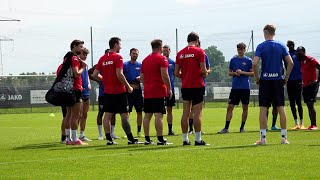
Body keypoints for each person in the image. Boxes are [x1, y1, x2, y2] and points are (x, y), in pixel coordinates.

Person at [252, 24, 293, 145]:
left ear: (265, 32)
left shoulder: (261, 46)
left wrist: (257, 77)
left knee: (263, 109)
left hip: (265, 80)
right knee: (281, 107)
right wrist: (285, 78)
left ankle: (263, 139)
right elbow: (290, 63)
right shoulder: (281, 45)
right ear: (274, 33)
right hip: (277, 81)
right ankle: (284, 138)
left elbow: (254, 63)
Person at [92, 37, 138, 145]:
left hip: (107, 92)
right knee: (124, 115)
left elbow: (94, 74)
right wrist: (128, 86)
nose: (121, 46)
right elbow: (119, 74)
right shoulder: (118, 57)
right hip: (119, 92)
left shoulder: (102, 58)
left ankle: (109, 139)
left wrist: (105, 79)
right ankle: (131, 139)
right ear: (116, 44)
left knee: (107, 115)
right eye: (120, 44)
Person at [175, 32, 208, 146]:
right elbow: (203, 71)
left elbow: (176, 72)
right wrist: (206, 72)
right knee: (197, 113)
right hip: (197, 85)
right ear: (197, 40)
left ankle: (185, 139)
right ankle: (198, 139)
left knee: (185, 113)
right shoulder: (200, 51)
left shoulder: (180, 53)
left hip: (185, 86)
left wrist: (185, 76)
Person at [141, 39, 172, 145]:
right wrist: (169, 88)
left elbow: (142, 77)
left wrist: (147, 86)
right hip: (158, 90)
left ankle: (147, 139)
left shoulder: (145, 60)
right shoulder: (162, 58)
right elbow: (165, 75)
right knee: (159, 115)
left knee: (147, 115)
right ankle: (160, 139)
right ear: (160, 47)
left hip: (148, 91)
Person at [218, 42, 253, 133]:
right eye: (238, 49)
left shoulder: (249, 61)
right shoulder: (233, 60)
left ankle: (242, 128)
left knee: (245, 108)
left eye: (241, 49)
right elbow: (229, 73)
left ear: (245, 50)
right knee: (230, 107)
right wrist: (235, 73)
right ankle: (226, 128)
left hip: (245, 88)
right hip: (235, 88)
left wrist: (242, 72)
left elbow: (253, 73)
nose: (240, 51)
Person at [62, 39, 87, 145]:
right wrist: (83, 67)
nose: (81, 49)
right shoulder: (74, 58)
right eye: (80, 47)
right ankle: (75, 139)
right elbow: (76, 74)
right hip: (75, 89)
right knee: (75, 115)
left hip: (66, 88)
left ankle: (68, 139)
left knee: (68, 114)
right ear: (74, 47)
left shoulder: (66, 57)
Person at [188, 41, 210, 134]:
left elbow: (208, 68)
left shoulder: (204, 55)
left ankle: (198, 129)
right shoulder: (189, 55)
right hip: (190, 84)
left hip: (200, 84)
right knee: (190, 108)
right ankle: (190, 129)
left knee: (199, 109)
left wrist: (206, 72)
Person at [297, 46, 320, 130]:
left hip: (312, 85)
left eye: (299, 52)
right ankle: (311, 125)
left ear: (304, 52)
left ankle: (314, 125)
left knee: (311, 104)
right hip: (305, 86)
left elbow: (319, 67)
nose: (298, 53)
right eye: (297, 52)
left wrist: (317, 81)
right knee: (308, 105)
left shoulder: (310, 59)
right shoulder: (301, 61)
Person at [123, 48, 144, 137]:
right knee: (127, 112)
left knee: (139, 112)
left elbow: (144, 76)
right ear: (130, 54)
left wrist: (140, 79)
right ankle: (128, 132)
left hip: (138, 91)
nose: (135, 55)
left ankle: (139, 131)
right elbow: (122, 76)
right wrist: (129, 85)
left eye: (136, 53)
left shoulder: (140, 65)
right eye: (133, 53)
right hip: (128, 91)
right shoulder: (125, 65)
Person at [285, 40, 304, 130]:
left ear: (294, 45)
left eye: (291, 45)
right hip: (289, 80)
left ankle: (302, 122)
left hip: (298, 80)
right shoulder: (286, 55)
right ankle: (296, 122)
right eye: (289, 45)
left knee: (298, 102)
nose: (290, 46)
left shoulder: (298, 54)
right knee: (292, 102)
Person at [78, 47, 92, 142]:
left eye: (86, 55)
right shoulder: (77, 64)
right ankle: (72, 134)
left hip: (86, 92)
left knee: (85, 114)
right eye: (83, 54)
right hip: (79, 91)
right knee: (77, 114)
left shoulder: (85, 65)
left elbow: (86, 75)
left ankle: (82, 134)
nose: (85, 56)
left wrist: (89, 83)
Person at [162, 45, 176, 135]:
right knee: (160, 111)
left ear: (170, 51)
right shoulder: (160, 61)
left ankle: (170, 129)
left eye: (167, 51)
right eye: (164, 51)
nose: (166, 52)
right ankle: (160, 130)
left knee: (170, 110)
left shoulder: (172, 62)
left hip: (170, 89)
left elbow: (174, 74)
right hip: (161, 89)